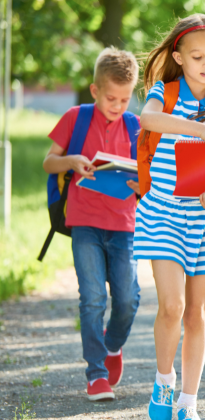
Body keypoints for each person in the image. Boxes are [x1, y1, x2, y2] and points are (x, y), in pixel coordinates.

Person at [135, 14, 205, 420]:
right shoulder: (162, 93)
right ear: (178, 57)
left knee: (197, 313)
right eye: (197, 55)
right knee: (171, 307)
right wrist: (197, 131)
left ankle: (188, 403)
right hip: (162, 213)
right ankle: (164, 383)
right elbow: (148, 121)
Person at [42, 47, 141, 401]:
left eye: (125, 99)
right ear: (95, 90)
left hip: (125, 225)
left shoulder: (136, 126)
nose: (117, 105)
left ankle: (112, 346)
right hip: (84, 223)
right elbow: (48, 163)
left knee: (128, 299)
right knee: (93, 298)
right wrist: (71, 160)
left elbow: (148, 177)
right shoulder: (76, 117)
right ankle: (96, 373)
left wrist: (140, 183)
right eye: (111, 97)